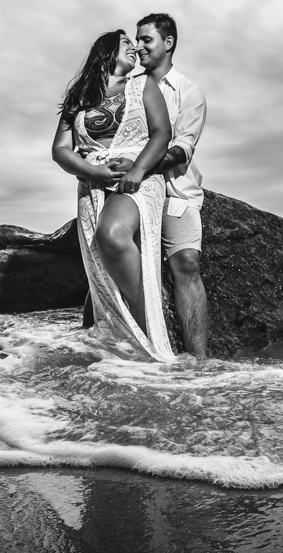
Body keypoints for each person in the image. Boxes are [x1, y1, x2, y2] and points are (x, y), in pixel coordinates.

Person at [51, 30, 176, 362]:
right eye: (126, 44)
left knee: (113, 234)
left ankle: (145, 332)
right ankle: (117, 342)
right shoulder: (79, 97)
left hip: (139, 175)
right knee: (99, 268)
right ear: (107, 53)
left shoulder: (143, 85)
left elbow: (163, 134)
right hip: (92, 182)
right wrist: (94, 172)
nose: (134, 48)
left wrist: (136, 171)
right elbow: (61, 150)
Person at [114, 14, 210, 358]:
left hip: (175, 191)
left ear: (168, 43)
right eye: (136, 41)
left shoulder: (189, 92)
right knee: (111, 252)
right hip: (132, 190)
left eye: (146, 40)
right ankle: (123, 351)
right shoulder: (128, 86)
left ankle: (199, 361)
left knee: (186, 262)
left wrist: (140, 166)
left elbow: (182, 148)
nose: (138, 47)